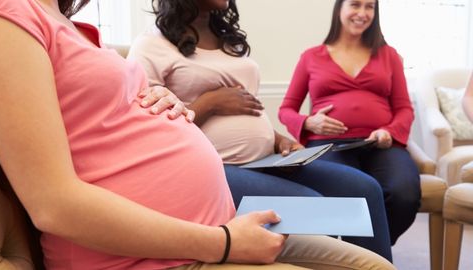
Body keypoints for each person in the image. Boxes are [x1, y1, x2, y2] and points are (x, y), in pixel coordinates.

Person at [0, 0, 396, 269]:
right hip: (160, 254)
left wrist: (158, 101)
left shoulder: (71, 26)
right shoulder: (10, 15)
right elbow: (53, 204)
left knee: (376, 261)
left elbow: (99, 118)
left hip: (220, 221)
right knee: (316, 207)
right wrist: (222, 242)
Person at [127, 0, 393, 261]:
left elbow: (247, 106)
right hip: (214, 167)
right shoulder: (151, 45)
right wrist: (208, 104)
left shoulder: (228, 40)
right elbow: (148, 132)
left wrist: (278, 140)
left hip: (266, 160)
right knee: (312, 206)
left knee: (365, 189)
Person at [279, 0, 421, 246]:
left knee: (404, 194)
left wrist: (388, 132)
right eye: (355, 5)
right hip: (328, 145)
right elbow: (286, 110)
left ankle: (371, 252)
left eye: (370, 7)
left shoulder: (389, 56)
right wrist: (309, 122)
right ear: (339, 9)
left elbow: (404, 109)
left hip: (381, 145)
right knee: (345, 193)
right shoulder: (311, 56)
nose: (362, 13)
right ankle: (357, 258)